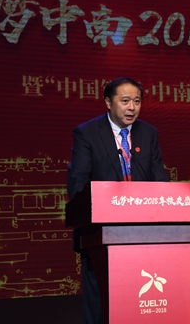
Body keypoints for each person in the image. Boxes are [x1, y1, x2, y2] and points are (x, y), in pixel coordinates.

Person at [67, 77, 170, 324]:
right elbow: (77, 184)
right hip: (100, 235)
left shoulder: (148, 133)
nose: (132, 107)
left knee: (139, 305)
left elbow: (160, 180)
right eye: (125, 101)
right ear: (108, 102)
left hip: (145, 233)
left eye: (137, 101)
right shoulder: (87, 133)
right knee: (101, 305)